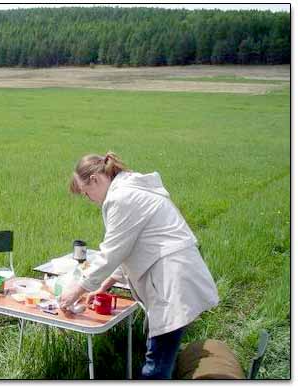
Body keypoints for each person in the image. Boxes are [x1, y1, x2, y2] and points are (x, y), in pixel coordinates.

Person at [59, 152, 219, 379]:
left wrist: (76, 289)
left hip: (172, 280)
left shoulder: (122, 197)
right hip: (175, 273)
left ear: (95, 179)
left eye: (86, 193)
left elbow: (111, 252)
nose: (90, 199)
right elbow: (127, 247)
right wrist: (105, 283)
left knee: (155, 367)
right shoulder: (130, 188)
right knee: (163, 355)